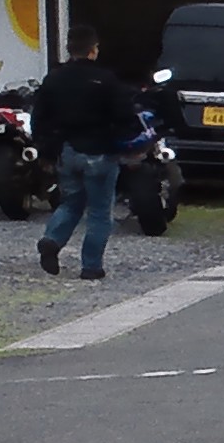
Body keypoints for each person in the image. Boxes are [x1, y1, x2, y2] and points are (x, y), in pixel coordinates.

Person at [29, 25, 141, 280]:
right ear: (93, 50)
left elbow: (39, 118)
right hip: (100, 152)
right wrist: (125, 142)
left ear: (70, 49)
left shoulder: (54, 78)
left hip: (67, 152)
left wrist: (47, 150)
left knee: (71, 203)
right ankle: (91, 267)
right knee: (100, 211)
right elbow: (125, 116)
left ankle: (52, 239)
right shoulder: (106, 80)